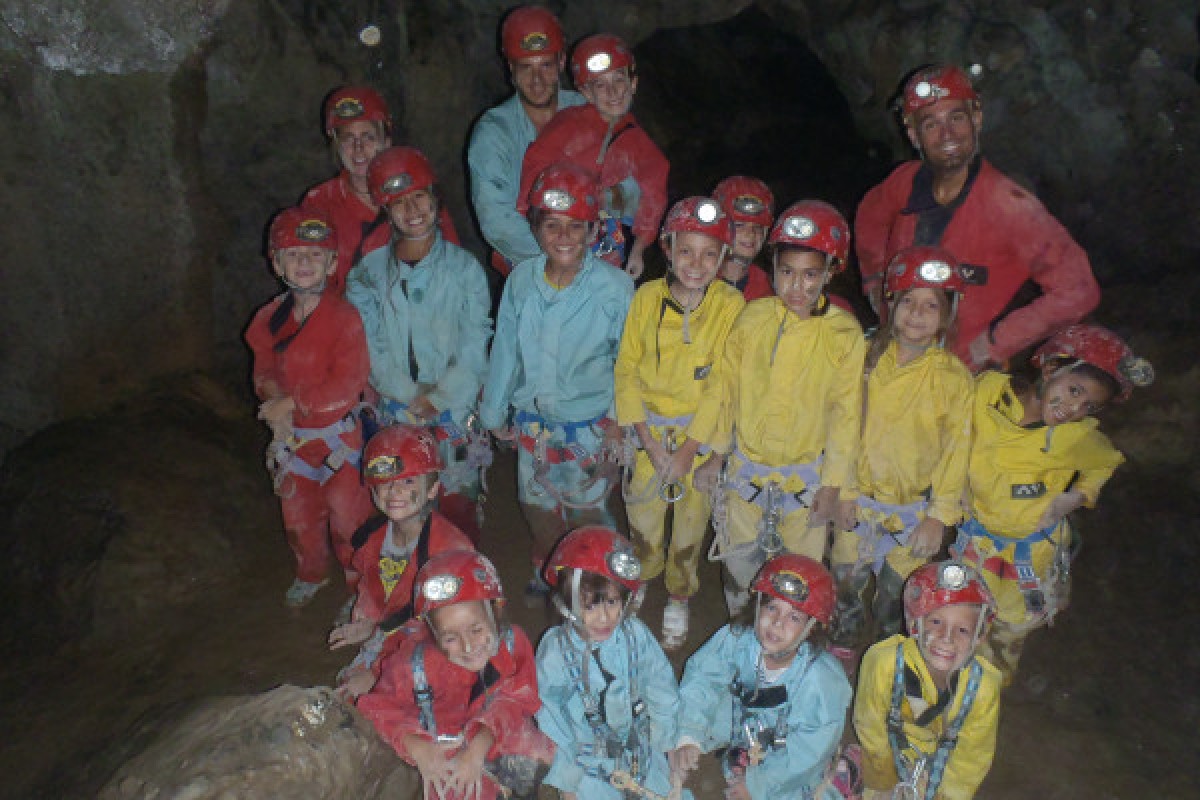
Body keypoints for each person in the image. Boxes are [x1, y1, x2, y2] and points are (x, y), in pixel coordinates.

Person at [855, 63, 1101, 371]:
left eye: (956, 118)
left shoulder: (1010, 207)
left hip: (957, 371)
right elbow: (869, 219)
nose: (947, 134)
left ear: (977, 119)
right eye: (930, 124)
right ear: (914, 135)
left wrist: (994, 343)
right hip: (894, 352)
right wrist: (876, 282)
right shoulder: (903, 183)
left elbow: (1078, 290)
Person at [952, 324, 1152, 683]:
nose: (1074, 408)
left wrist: (1077, 496)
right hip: (978, 541)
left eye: (1089, 405)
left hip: (1029, 554)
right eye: (1074, 390)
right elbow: (954, 430)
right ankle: (952, 679)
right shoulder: (987, 393)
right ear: (1049, 369)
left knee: (1010, 627)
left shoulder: (1075, 437)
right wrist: (957, 483)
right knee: (964, 612)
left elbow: (1105, 462)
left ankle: (987, 690)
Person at [696, 200, 866, 615]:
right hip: (747, 473)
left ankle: (790, 639)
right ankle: (741, 628)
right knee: (740, 568)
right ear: (772, 268)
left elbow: (846, 414)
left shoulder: (843, 334)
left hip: (805, 480)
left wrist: (834, 486)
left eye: (810, 275)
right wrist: (715, 455)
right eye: (787, 272)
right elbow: (726, 389)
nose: (797, 287)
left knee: (800, 576)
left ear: (830, 272)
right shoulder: (753, 319)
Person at [480, 163, 634, 599]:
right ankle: (551, 573)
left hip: (590, 430)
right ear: (535, 228)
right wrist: (493, 412)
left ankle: (601, 586)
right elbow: (506, 348)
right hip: (534, 426)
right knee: (539, 510)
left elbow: (629, 361)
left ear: (593, 229)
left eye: (575, 226)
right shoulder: (521, 281)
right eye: (552, 226)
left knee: (589, 514)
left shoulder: (614, 289)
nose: (563, 237)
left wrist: (619, 421)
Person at [614, 196, 745, 649]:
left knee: (690, 524)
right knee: (643, 519)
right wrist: (648, 444)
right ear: (667, 248)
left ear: (723, 258)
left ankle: (679, 594)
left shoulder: (730, 305)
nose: (696, 264)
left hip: (699, 439)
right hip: (648, 436)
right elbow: (627, 370)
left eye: (710, 254)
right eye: (686, 251)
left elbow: (722, 384)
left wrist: (690, 451)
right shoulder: (647, 299)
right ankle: (641, 577)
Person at [830, 246, 974, 656]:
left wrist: (938, 517)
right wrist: (843, 490)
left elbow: (956, 450)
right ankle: (843, 644)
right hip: (858, 498)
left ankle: (887, 654)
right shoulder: (864, 358)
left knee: (898, 593)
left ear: (947, 314)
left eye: (931, 305)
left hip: (913, 510)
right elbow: (842, 427)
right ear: (890, 304)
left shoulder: (953, 378)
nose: (917, 314)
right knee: (846, 582)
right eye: (908, 301)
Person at [345, 145, 493, 542]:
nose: (412, 210)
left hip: (455, 413)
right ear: (385, 209)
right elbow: (369, 344)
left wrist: (441, 397)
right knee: (404, 512)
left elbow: (475, 341)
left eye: (419, 197)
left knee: (458, 513)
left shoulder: (465, 270)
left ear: (435, 198)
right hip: (399, 410)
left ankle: (462, 575)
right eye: (399, 202)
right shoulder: (368, 275)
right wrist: (410, 396)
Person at [244, 208, 374, 607]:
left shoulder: (344, 318)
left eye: (315, 254)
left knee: (348, 518)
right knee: (298, 518)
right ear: (276, 263)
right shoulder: (269, 319)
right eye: (294, 254)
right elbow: (264, 368)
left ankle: (360, 587)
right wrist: (271, 397)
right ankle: (311, 573)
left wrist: (289, 402)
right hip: (295, 440)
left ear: (332, 263)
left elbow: (347, 385)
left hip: (339, 439)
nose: (304, 262)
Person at [358, 549, 554, 800]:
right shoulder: (413, 666)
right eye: (451, 638)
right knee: (460, 789)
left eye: (476, 630)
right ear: (433, 633)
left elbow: (518, 699)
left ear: (495, 611)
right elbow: (373, 706)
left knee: (543, 758)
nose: (468, 647)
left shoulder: (512, 644)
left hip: (492, 735)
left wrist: (478, 747)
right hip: (443, 751)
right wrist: (418, 748)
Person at [672, 554, 852, 799]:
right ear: (757, 605)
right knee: (671, 726)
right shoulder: (737, 639)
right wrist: (688, 736)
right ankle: (738, 752)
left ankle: (842, 773)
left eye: (794, 618)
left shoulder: (822, 680)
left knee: (795, 789)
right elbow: (703, 678)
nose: (777, 623)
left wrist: (759, 784)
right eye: (771, 607)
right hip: (746, 719)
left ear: (812, 628)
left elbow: (810, 748)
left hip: (792, 741)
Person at [536, 526, 688, 800]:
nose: (605, 617)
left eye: (612, 601)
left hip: (640, 750)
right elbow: (551, 718)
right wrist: (567, 782)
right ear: (567, 604)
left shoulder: (635, 635)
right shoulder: (555, 653)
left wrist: (668, 744)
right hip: (586, 763)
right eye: (590, 606)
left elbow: (660, 686)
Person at [329, 425, 474, 700]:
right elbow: (371, 590)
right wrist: (368, 624)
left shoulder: (450, 552)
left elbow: (447, 628)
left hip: (438, 643)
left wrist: (377, 673)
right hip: (394, 633)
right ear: (373, 491)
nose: (394, 491)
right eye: (385, 483)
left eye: (408, 482)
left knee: (385, 703)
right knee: (348, 690)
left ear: (432, 489)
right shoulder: (373, 539)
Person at [518, 33, 669, 278]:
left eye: (619, 80)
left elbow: (653, 200)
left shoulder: (642, 147)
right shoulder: (567, 125)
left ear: (633, 84)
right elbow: (533, 172)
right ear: (587, 93)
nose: (613, 92)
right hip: (557, 234)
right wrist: (531, 237)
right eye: (600, 85)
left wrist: (638, 250)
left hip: (604, 245)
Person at [854, 560, 1002, 800]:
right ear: (915, 624)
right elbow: (870, 725)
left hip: (945, 765)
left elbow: (972, 757)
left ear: (979, 637)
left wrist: (946, 795)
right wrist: (882, 781)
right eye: (936, 622)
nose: (947, 638)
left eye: (963, 630)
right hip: (890, 751)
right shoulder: (884, 663)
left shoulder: (982, 687)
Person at [302, 86, 458, 294]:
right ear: (336, 146)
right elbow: (309, 282)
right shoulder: (320, 203)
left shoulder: (419, 193)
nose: (358, 148)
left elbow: (454, 265)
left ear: (386, 141)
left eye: (368, 137)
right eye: (348, 138)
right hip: (348, 310)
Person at [467, 6, 586, 277]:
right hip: (530, 267)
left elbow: (626, 182)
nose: (537, 80)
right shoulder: (494, 132)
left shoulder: (586, 112)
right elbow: (495, 218)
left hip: (592, 255)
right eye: (525, 67)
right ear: (510, 68)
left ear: (561, 62)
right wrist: (560, 260)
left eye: (546, 65)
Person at [712, 176, 775, 301]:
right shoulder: (696, 276)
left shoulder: (771, 288)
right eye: (739, 225)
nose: (750, 233)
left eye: (758, 227)